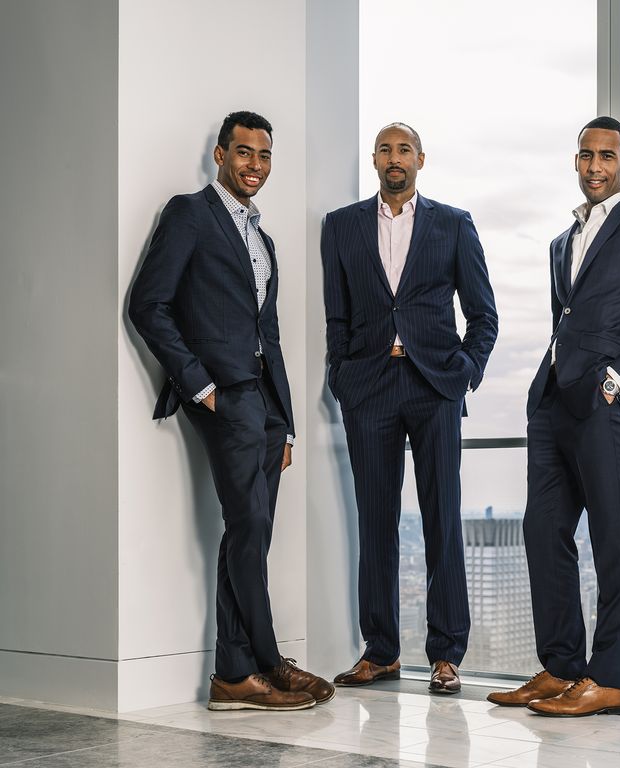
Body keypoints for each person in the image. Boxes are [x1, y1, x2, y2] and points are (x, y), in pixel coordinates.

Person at [129, 111, 333, 711]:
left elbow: (268, 331)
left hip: (265, 404)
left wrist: (287, 421)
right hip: (226, 395)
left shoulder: (263, 239)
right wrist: (200, 386)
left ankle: (232, 676)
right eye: (244, 153)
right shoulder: (190, 214)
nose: (255, 165)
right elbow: (148, 304)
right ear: (220, 155)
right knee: (249, 531)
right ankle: (270, 663)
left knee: (250, 534)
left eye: (264, 155)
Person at [487, 116, 620, 716]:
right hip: (552, 404)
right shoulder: (559, 242)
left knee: (615, 542)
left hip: (604, 405)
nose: (594, 166)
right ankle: (562, 667)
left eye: (606, 156)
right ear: (575, 162)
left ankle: (612, 681)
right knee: (543, 532)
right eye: (585, 156)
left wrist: (617, 382)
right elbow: (565, 320)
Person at [322, 122, 498, 695]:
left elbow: (483, 315)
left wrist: (464, 374)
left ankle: (446, 655)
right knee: (375, 522)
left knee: (442, 519)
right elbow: (337, 317)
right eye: (384, 149)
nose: (393, 158)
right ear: (373, 159)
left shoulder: (453, 224)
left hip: (433, 389)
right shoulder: (342, 226)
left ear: (421, 159)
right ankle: (380, 652)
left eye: (403, 149)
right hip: (368, 387)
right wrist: (341, 377)